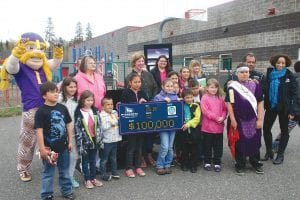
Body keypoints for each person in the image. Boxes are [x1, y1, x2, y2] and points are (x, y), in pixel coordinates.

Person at [0, 32, 63, 182]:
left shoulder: (43, 66)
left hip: (48, 108)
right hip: (31, 110)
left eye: (40, 48)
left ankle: (48, 161)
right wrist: (18, 51)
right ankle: (22, 168)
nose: (36, 52)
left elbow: (55, 62)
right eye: (31, 47)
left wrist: (58, 50)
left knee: (50, 138)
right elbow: (10, 66)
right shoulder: (20, 66)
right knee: (28, 142)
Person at [34, 82, 75, 200]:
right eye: (52, 92)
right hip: (49, 150)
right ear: (44, 96)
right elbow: (39, 131)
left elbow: (68, 125)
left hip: (64, 147)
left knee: (65, 171)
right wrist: (42, 148)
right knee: (48, 173)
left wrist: (70, 142)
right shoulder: (41, 112)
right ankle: (46, 195)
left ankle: (67, 191)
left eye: (57, 91)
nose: (56, 94)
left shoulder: (62, 108)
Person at [226, 63, 264, 175]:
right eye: (242, 72)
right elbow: (230, 104)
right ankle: (240, 164)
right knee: (240, 142)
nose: (244, 74)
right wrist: (232, 119)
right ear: (237, 74)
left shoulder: (256, 85)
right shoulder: (233, 87)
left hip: (253, 119)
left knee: (254, 140)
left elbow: (260, 102)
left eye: (246, 72)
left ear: (249, 73)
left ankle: (255, 163)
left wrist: (260, 119)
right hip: (239, 119)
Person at [262, 54, 296, 164]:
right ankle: (269, 152)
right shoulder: (269, 74)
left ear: (286, 64)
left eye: (283, 63)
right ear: (274, 63)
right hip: (271, 106)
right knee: (266, 129)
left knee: (284, 131)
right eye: (278, 62)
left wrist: (292, 110)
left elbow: (294, 94)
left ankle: (280, 154)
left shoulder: (289, 75)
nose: (280, 65)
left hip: (284, 108)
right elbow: (264, 89)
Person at [125, 52, 158, 168]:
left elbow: (155, 87)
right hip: (137, 111)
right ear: (134, 62)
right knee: (139, 135)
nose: (141, 63)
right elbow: (127, 94)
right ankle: (141, 157)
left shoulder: (148, 74)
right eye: (139, 61)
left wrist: (152, 100)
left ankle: (149, 154)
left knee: (150, 133)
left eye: (142, 61)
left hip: (149, 107)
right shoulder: (129, 77)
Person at [74, 90, 103, 189]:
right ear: (82, 100)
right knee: (85, 161)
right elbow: (77, 129)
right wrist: (80, 143)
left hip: (94, 140)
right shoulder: (78, 112)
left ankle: (93, 178)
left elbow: (99, 125)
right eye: (87, 100)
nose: (90, 102)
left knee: (93, 160)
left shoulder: (95, 110)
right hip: (84, 142)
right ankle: (87, 179)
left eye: (91, 100)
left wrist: (100, 139)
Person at [121, 73, 148, 178]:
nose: (137, 84)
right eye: (135, 82)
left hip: (141, 123)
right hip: (131, 124)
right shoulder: (126, 93)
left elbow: (148, 107)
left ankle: (138, 166)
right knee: (131, 147)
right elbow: (124, 108)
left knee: (139, 147)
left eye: (139, 82)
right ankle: (128, 168)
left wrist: (145, 103)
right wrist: (137, 104)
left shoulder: (143, 93)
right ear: (130, 83)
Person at [200, 79, 227, 172]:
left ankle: (217, 162)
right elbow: (205, 111)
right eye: (211, 87)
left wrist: (223, 117)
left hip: (219, 127)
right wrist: (216, 118)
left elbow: (224, 109)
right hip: (207, 128)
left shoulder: (220, 98)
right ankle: (207, 161)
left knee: (218, 146)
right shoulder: (204, 98)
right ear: (207, 88)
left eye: (215, 87)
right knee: (207, 146)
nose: (214, 89)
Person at [153, 79, 179, 175]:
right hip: (163, 126)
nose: (169, 88)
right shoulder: (158, 97)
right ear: (163, 87)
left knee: (170, 147)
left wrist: (179, 101)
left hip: (172, 126)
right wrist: (162, 101)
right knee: (164, 146)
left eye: (171, 86)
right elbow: (154, 109)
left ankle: (167, 164)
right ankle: (160, 165)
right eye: (167, 86)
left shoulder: (175, 97)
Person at [58, 77, 79, 188]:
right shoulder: (59, 99)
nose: (73, 89)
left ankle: (70, 176)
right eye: (70, 87)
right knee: (62, 156)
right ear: (64, 87)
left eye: (75, 87)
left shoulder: (76, 100)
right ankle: (64, 177)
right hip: (61, 133)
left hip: (74, 133)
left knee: (74, 155)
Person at [99, 97, 122, 181]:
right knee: (104, 159)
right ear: (103, 106)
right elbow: (104, 127)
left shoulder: (115, 113)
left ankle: (114, 172)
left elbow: (119, 123)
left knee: (113, 157)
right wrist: (115, 122)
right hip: (106, 141)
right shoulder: (102, 115)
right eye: (107, 104)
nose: (110, 106)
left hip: (115, 139)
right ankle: (103, 174)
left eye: (111, 104)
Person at [179, 89, 201, 173]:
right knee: (184, 148)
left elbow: (197, 118)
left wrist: (188, 124)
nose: (189, 99)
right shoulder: (180, 105)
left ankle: (193, 165)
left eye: (191, 97)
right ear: (183, 98)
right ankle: (184, 164)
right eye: (187, 98)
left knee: (194, 149)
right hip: (183, 131)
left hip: (194, 130)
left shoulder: (196, 106)